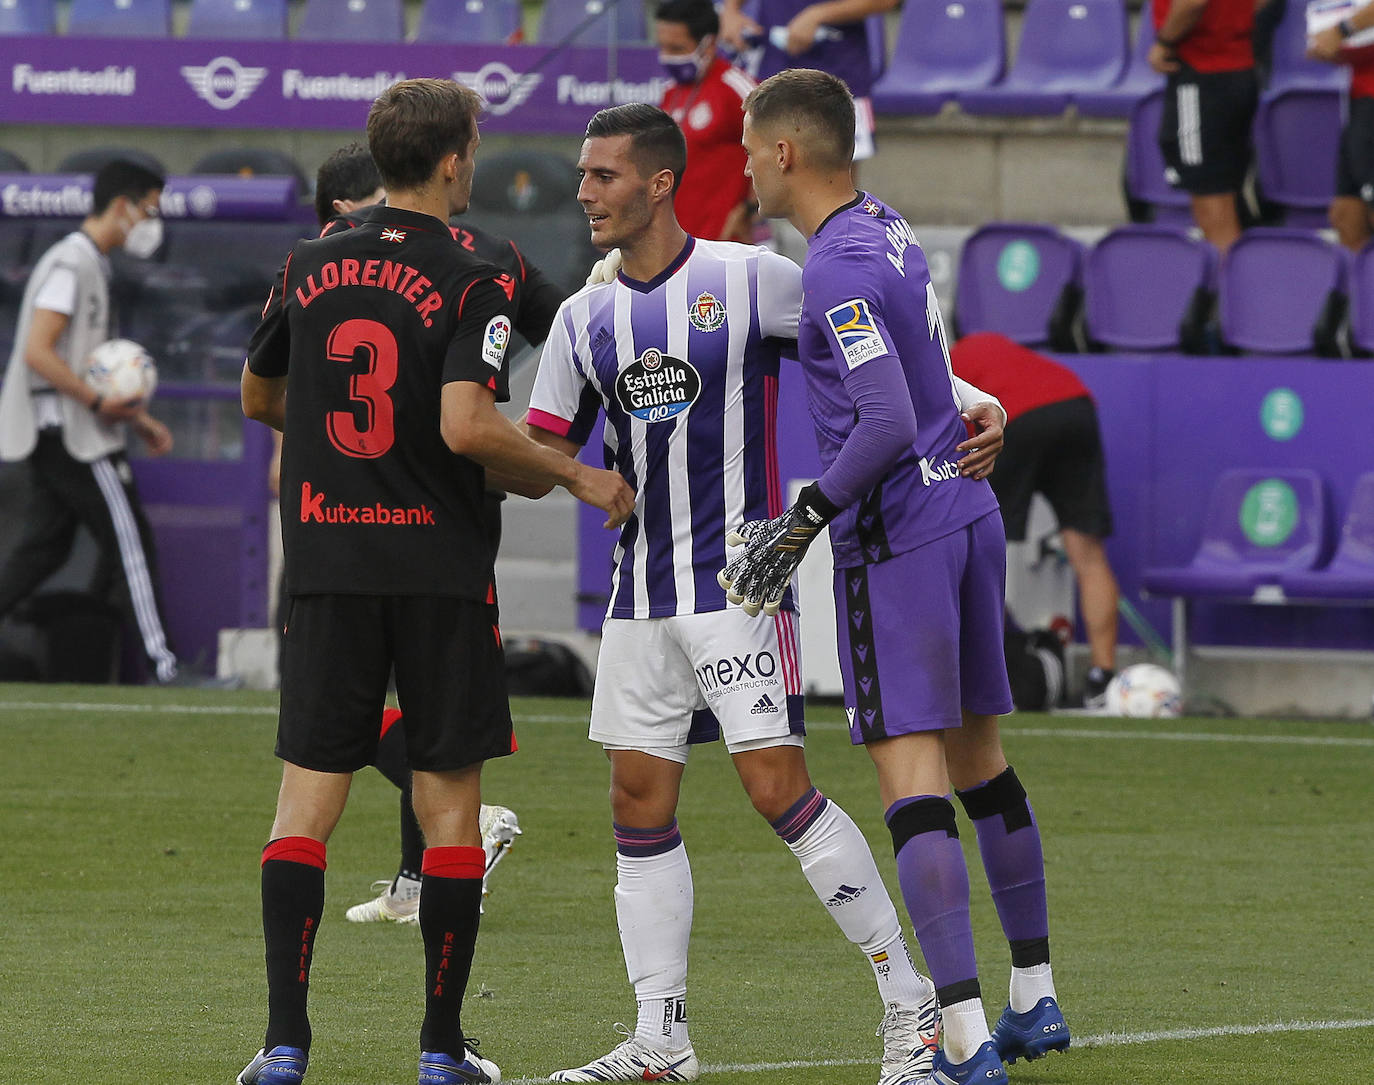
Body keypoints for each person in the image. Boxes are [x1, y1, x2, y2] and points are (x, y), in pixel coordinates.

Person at [524, 102, 1000, 1085]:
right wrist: (553, 470)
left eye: (604, 176)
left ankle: (910, 1005)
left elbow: (890, 348)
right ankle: (661, 1037)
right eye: (583, 176)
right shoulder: (584, 316)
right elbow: (541, 453)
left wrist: (969, 398)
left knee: (777, 787)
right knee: (636, 798)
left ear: (660, 182)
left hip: (741, 582)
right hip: (638, 596)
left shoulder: (754, 279)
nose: (585, 194)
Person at [238, 78, 634, 1085]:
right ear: (457, 157)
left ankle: (284, 1044)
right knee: (451, 813)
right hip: (440, 568)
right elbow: (467, 424)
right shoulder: (480, 268)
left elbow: (258, 392)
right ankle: (439, 1048)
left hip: (329, 560)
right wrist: (577, 471)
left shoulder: (310, 259)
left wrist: (343, 453)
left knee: (304, 808)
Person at [728, 69, 1070, 1084]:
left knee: (910, 779)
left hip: (901, 537)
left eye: (752, 149)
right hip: (966, 512)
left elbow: (879, 418)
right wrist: (982, 403)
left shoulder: (833, 266)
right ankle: (1034, 994)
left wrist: (805, 517)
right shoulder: (891, 227)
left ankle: (960, 1036)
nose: (747, 166)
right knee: (983, 763)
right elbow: (927, 373)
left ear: (785, 152)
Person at [271, 143, 552, 926]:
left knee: (341, 720)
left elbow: (267, 392)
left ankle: (459, 840)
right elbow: (565, 325)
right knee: (411, 709)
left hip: (373, 519)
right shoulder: (490, 261)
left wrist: (538, 449)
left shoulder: (326, 264)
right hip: (430, 514)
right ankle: (413, 879)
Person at [0, 159, 182, 684]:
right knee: (132, 544)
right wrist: (98, 405)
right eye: (149, 209)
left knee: (42, 550)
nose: (152, 222)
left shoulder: (91, 263)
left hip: (66, 427)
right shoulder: (70, 264)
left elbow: (83, 360)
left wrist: (138, 418)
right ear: (122, 205)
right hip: (71, 433)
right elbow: (39, 350)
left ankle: (161, 662)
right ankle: (164, 666)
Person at [950, 332, 1122, 708]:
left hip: (1018, 417)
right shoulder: (993, 345)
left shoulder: (948, 363)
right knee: (1088, 555)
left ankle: (987, 668)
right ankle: (1101, 681)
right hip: (1076, 406)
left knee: (977, 544)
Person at [718, 0, 897, 168]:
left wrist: (818, 14)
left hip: (837, 67)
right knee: (766, 163)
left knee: (835, 171)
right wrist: (731, 11)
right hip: (775, 61)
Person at [1148, 0, 1258, 252]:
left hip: (1203, 73)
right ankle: (1242, 280)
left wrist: (1164, 42)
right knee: (1227, 192)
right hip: (1238, 68)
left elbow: (1193, 2)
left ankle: (1229, 287)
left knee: (1211, 196)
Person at [655, 0, 758, 243]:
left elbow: (777, 148)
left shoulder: (738, 89)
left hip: (724, 246)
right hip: (677, 244)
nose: (667, 57)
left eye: (677, 49)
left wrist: (751, 210)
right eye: (663, 47)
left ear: (709, 45)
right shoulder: (670, 93)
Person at [1308, 6, 1374, 250]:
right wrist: (1326, 43)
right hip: (1360, 95)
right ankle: (1363, 287)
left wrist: (1341, 30)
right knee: (1346, 214)